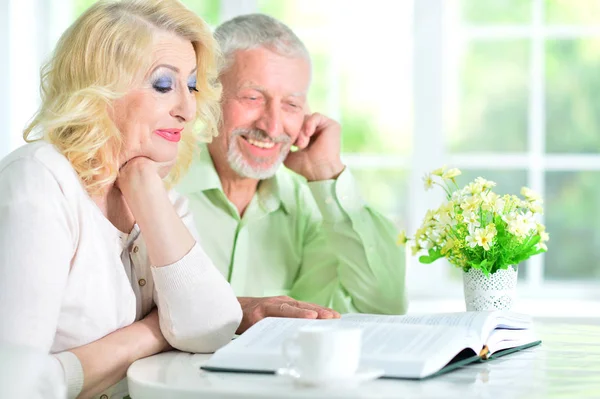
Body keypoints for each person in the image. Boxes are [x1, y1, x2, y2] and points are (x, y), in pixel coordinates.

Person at [0, 1, 242, 398]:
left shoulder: (158, 196)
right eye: (164, 85)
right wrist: (154, 331)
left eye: (192, 85)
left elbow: (212, 327)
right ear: (99, 89)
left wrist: (145, 189)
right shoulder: (40, 181)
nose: (187, 108)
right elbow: (18, 386)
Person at [177, 13, 408, 333]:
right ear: (208, 94)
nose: (272, 126)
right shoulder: (160, 185)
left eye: (291, 105)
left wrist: (326, 172)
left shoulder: (312, 205)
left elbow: (383, 306)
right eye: (253, 97)